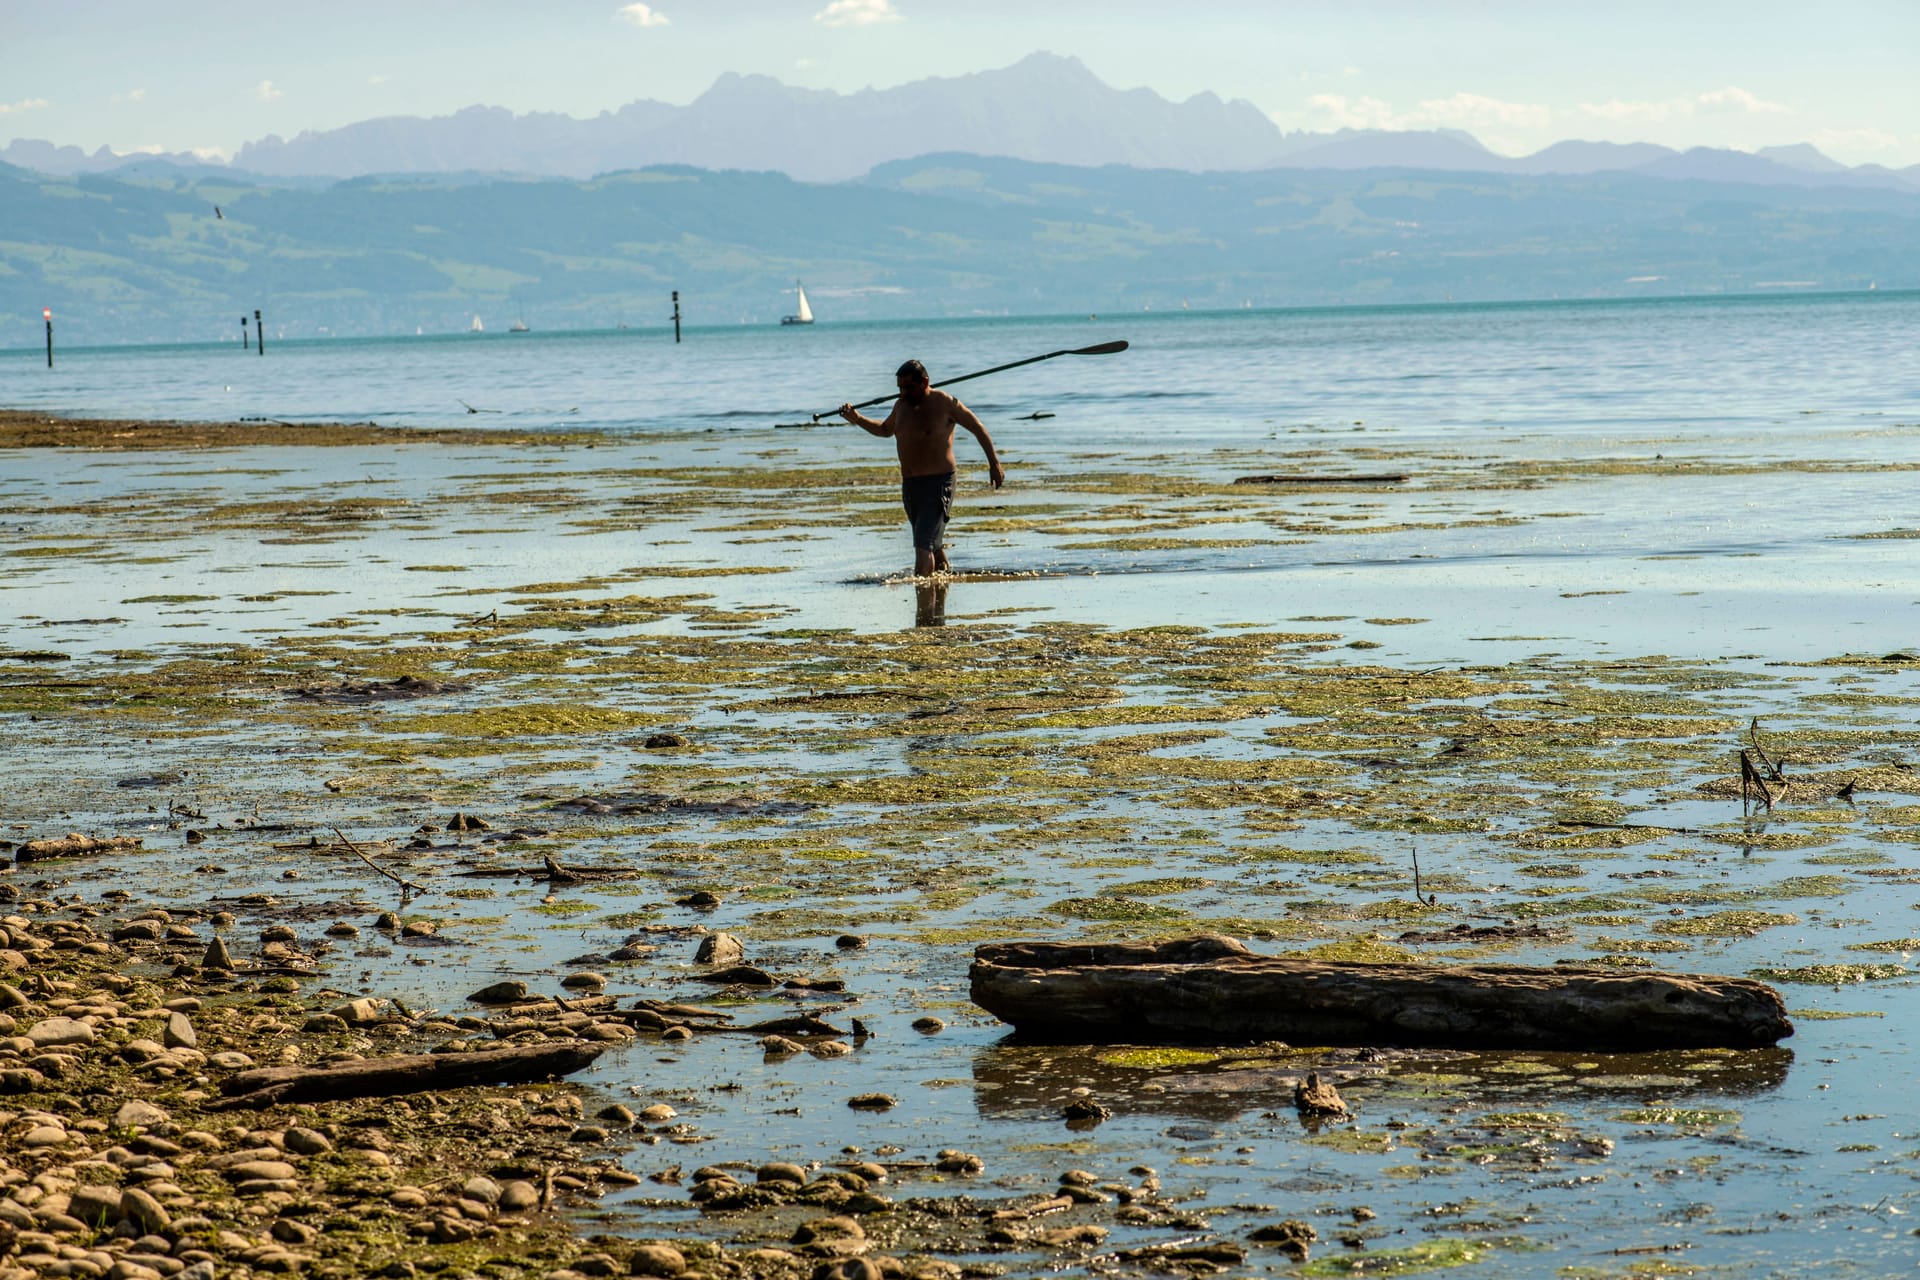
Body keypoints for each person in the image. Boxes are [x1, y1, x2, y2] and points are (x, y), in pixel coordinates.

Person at [839, 359, 1005, 578]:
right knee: (931, 544)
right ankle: (941, 588)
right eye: (900, 388)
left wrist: (994, 463)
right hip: (911, 486)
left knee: (923, 545)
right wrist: (857, 419)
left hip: (939, 483)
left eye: (908, 387)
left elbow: (978, 428)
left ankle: (923, 606)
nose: (903, 392)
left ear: (925, 381)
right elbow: (885, 429)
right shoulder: (901, 405)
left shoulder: (945, 403)